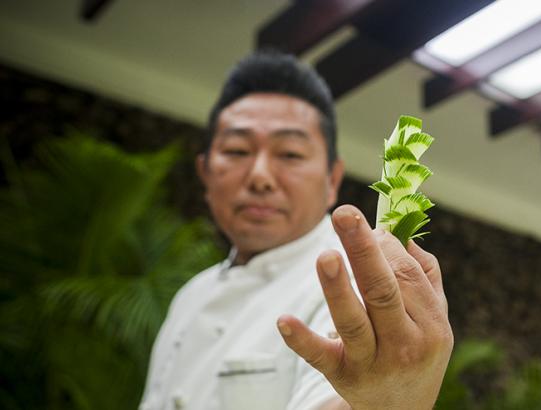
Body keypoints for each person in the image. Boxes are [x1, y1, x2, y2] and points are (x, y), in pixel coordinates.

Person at [139, 51, 453, 410]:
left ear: (332, 180)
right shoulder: (191, 294)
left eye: (289, 154)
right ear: (206, 173)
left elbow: (352, 396)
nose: (260, 176)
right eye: (237, 150)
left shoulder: (348, 279)